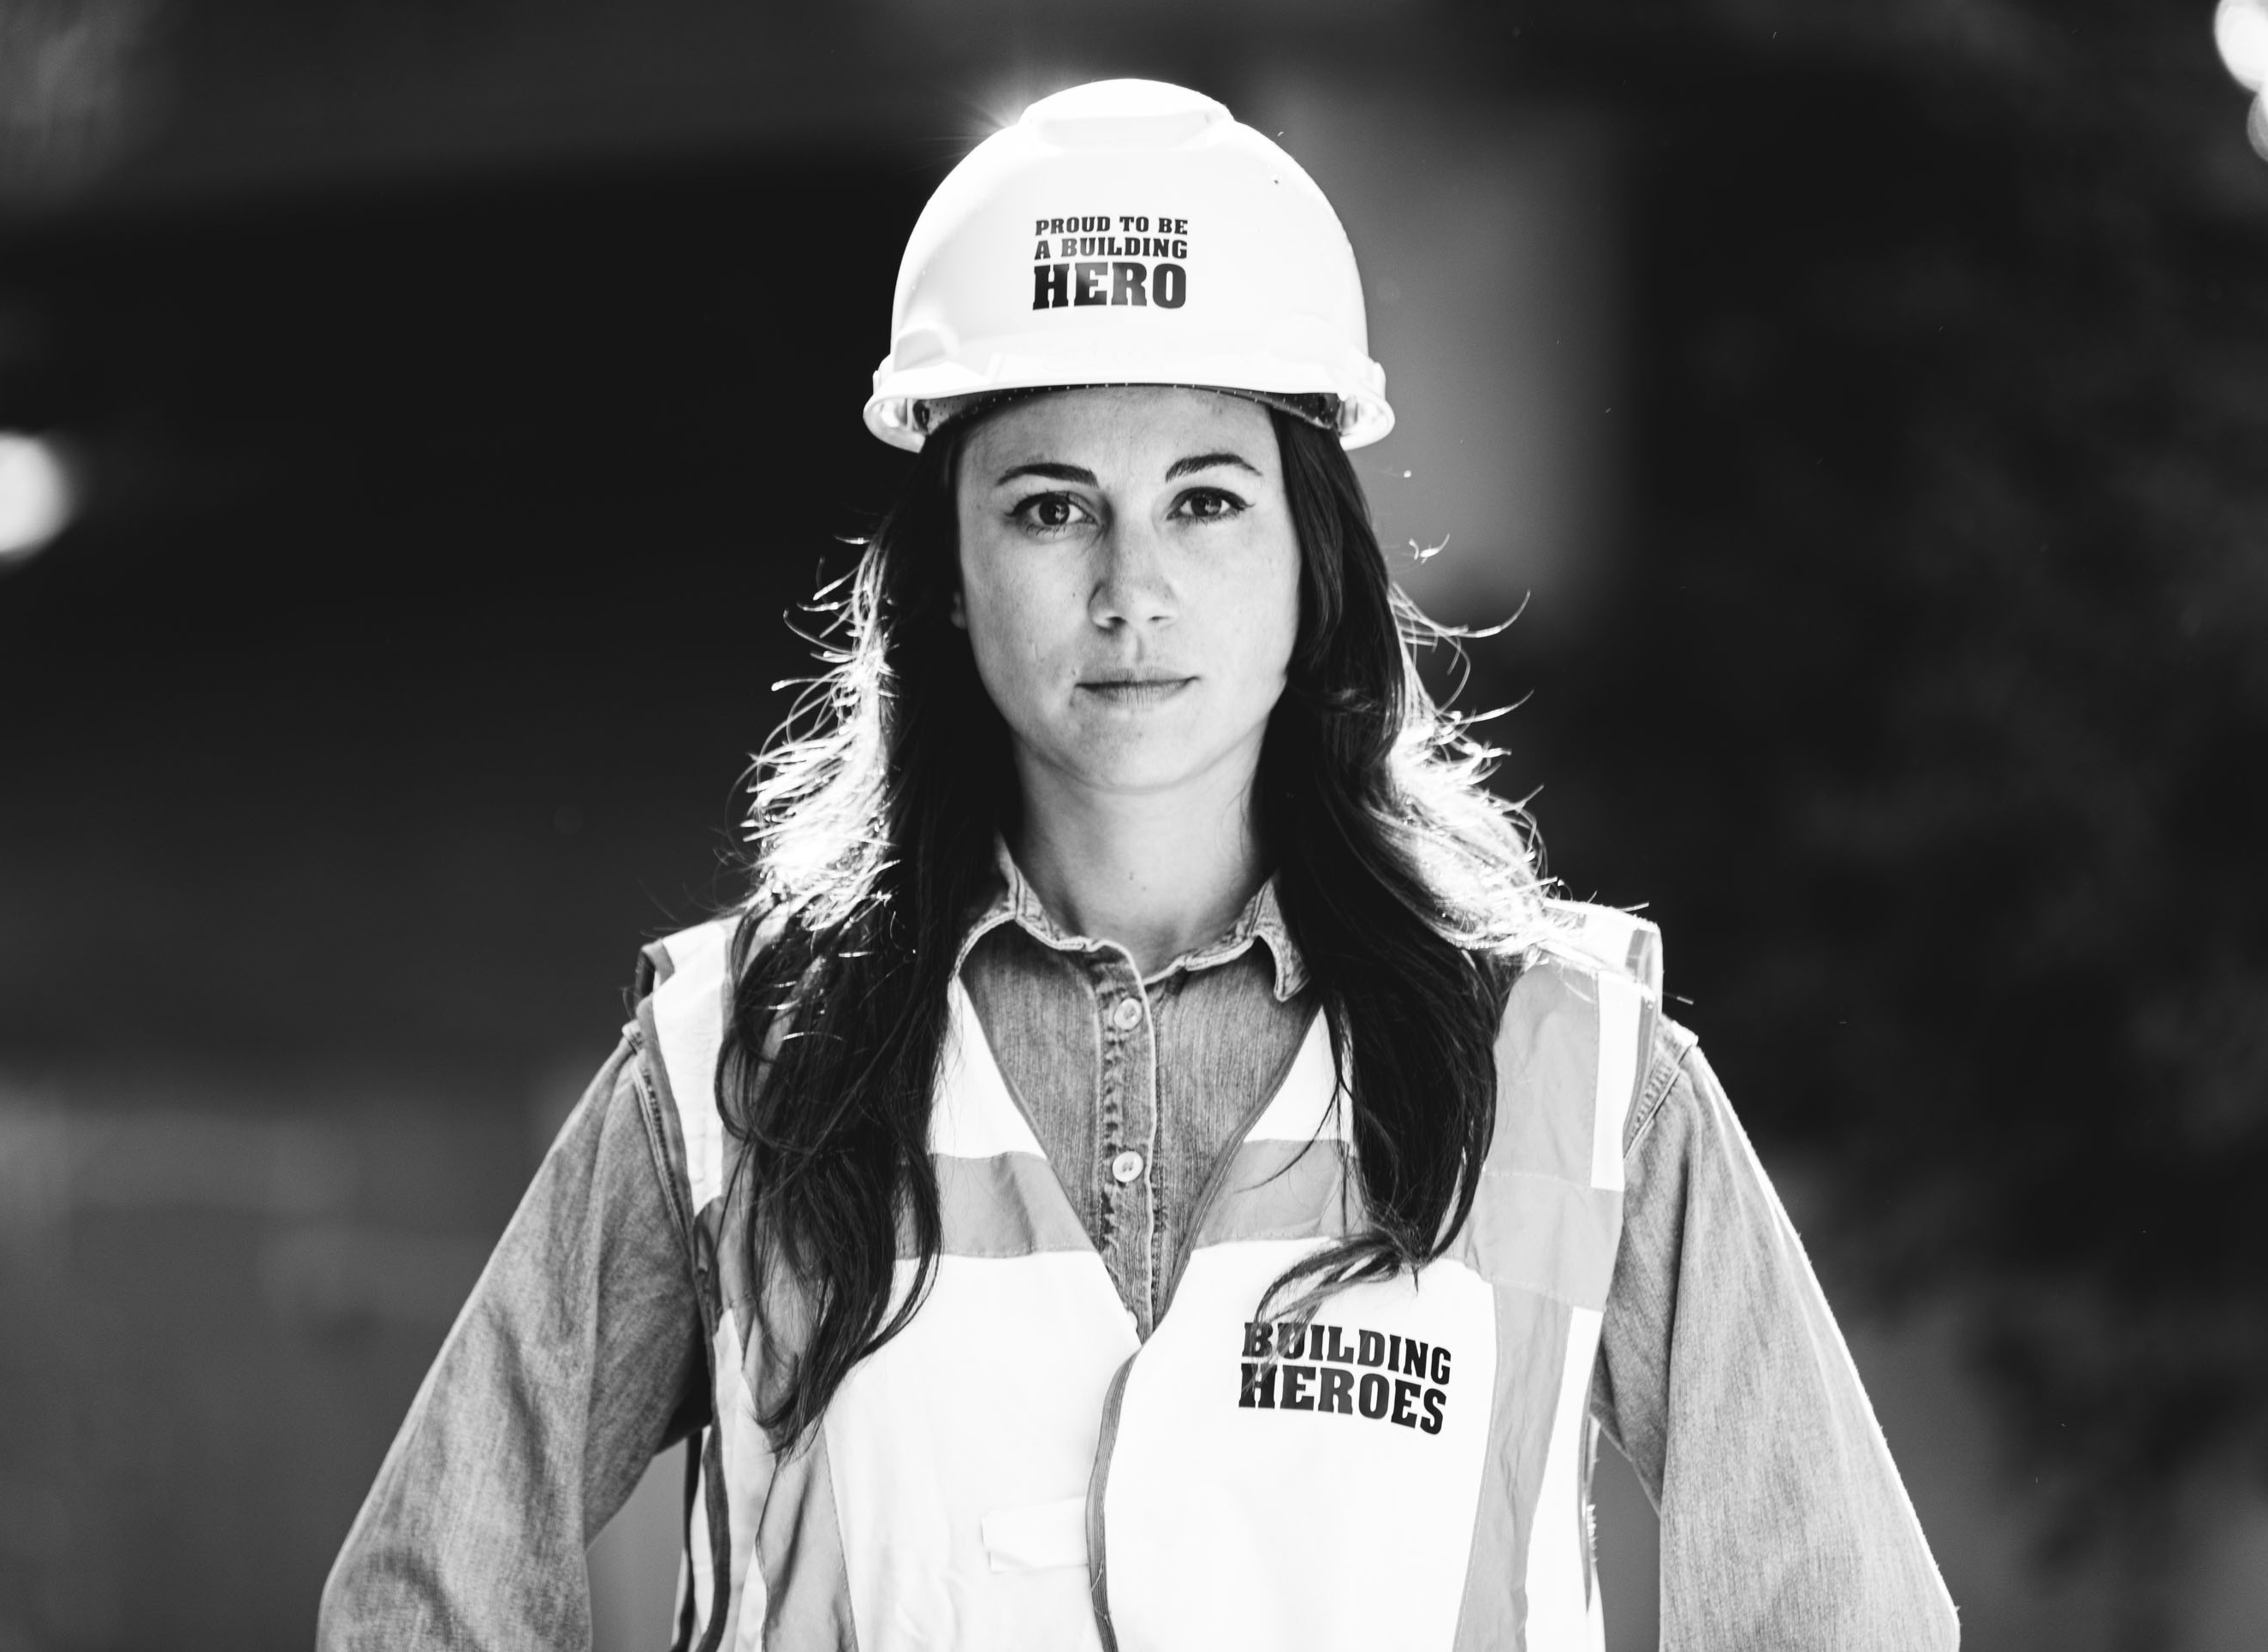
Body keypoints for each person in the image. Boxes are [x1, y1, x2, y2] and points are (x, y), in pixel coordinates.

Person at [320, 80, 1958, 1650]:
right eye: (1051, 509)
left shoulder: (1574, 1075)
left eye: (1207, 501)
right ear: (949, 573)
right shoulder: (737, 1068)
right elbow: (421, 1601)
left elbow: (1848, 1619)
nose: (1132, 589)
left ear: (1312, 559)